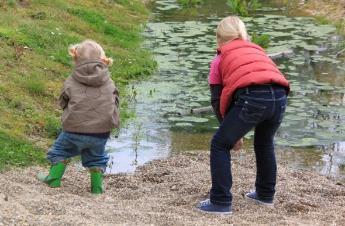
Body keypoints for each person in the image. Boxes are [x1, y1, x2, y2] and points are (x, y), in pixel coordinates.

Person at [197, 16, 290, 214]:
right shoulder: (257, 50)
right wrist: (235, 131)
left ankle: (220, 202)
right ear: (244, 35)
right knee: (264, 143)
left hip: (253, 97)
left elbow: (217, 100)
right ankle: (265, 195)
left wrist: (231, 133)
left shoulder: (220, 58)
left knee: (220, 144)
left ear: (219, 38)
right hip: (280, 95)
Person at [37, 40, 120, 194]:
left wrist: (70, 111)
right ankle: (96, 188)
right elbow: (115, 102)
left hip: (74, 130)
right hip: (101, 131)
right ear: (103, 60)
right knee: (97, 157)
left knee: (59, 151)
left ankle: (54, 179)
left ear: (75, 58)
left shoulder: (71, 80)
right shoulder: (109, 82)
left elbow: (63, 101)